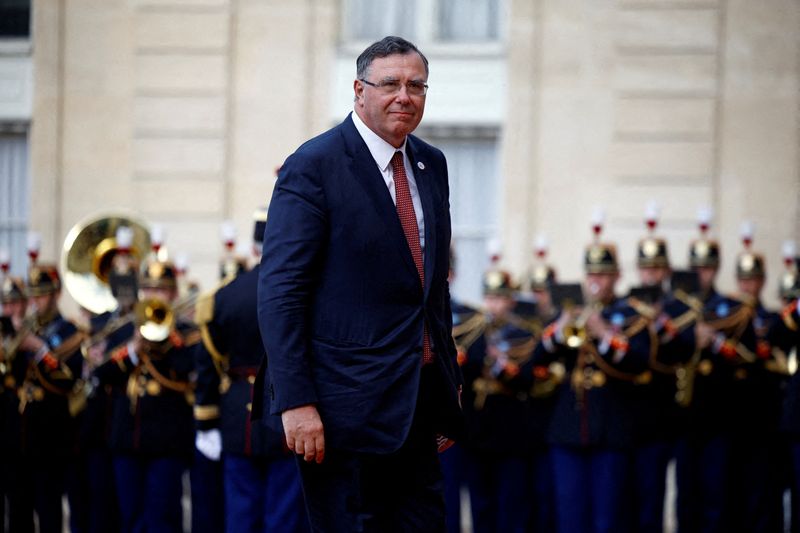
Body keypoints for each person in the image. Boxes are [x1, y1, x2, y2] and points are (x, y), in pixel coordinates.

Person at [256, 35, 464, 532]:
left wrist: (447, 385)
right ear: (358, 89)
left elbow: (432, 290)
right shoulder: (314, 165)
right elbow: (281, 293)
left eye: (416, 85)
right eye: (390, 83)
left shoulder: (430, 164)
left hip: (416, 405)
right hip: (338, 414)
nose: (404, 96)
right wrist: (296, 402)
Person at [194, 207, 308, 533]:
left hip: (236, 413)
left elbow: (208, 363)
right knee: (283, 514)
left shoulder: (223, 296)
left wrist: (206, 422)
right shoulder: (301, 291)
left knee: (241, 513)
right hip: (287, 404)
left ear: (254, 246)